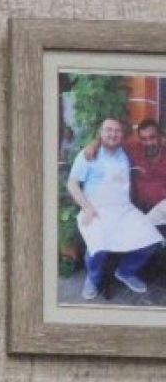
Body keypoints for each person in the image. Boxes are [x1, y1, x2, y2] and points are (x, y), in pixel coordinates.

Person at [67, 117, 164, 299]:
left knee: (152, 239)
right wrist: (87, 208)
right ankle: (93, 279)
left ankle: (126, 271)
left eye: (117, 130)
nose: (113, 134)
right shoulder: (88, 154)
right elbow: (72, 184)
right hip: (95, 210)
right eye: (108, 130)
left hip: (124, 210)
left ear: (122, 135)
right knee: (98, 246)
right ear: (100, 133)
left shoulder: (127, 152)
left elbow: (155, 144)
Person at [126, 118, 166, 236]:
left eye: (152, 137)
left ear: (160, 137)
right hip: (141, 209)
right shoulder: (135, 150)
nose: (148, 143)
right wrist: (94, 144)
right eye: (144, 139)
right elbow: (112, 140)